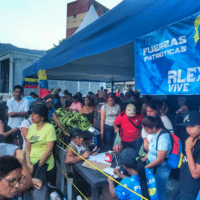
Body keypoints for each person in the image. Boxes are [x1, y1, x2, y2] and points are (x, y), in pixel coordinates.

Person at [141, 116, 172, 200]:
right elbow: (151, 150)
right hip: (152, 167)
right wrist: (143, 159)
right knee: (152, 191)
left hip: (160, 170)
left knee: (159, 192)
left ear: (154, 128)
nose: (146, 132)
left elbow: (160, 160)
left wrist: (144, 168)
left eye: (147, 130)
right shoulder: (154, 133)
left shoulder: (163, 137)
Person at [25, 104, 57, 186]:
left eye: (35, 114)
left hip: (45, 166)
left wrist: (35, 167)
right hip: (31, 165)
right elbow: (28, 148)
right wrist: (28, 164)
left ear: (42, 116)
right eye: (31, 113)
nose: (32, 116)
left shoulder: (49, 128)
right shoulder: (32, 128)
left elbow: (49, 151)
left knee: (44, 191)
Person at [175, 111, 200, 200]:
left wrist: (188, 150)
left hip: (192, 191)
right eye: (186, 126)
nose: (188, 129)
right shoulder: (191, 139)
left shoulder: (190, 143)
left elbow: (196, 174)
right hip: (182, 185)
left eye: (192, 126)